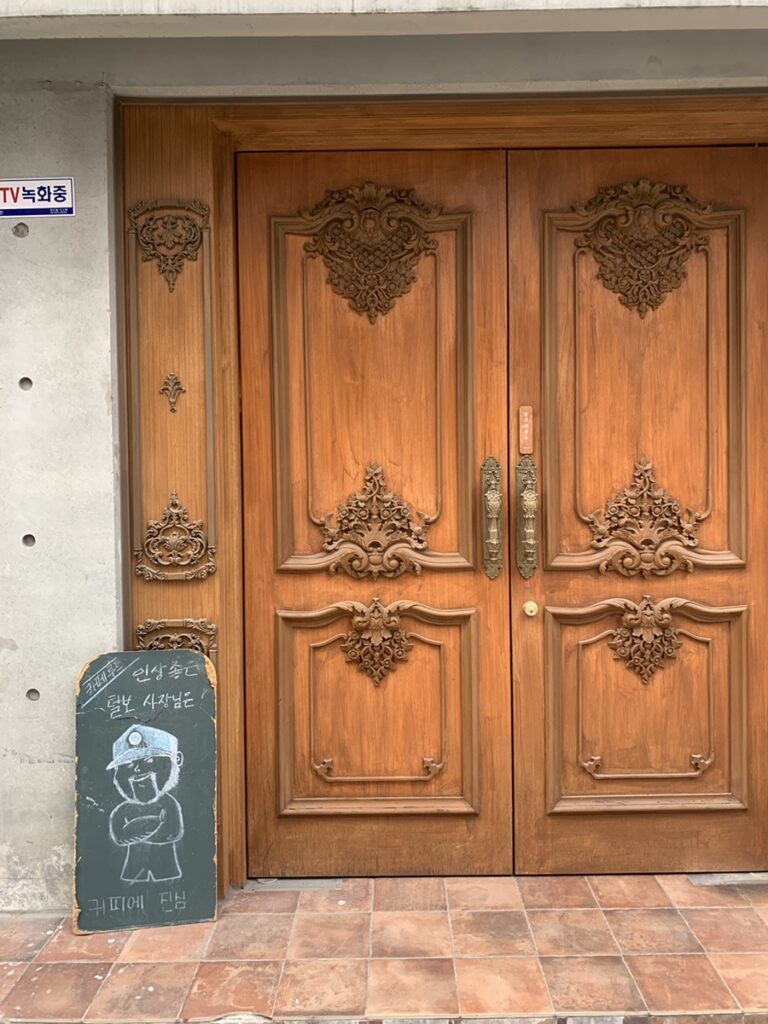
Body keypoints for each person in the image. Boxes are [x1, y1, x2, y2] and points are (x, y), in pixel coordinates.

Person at [107, 724, 184, 883]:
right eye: (128, 765)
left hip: (166, 867)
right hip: (133, 868)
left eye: (149, 761)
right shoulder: (123, 809)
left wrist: (135, 831)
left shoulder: (169, 804)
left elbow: (173, 832)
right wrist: (153, 826)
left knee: (168, 883)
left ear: (176, 760)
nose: (137, 770)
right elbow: (118, 836)